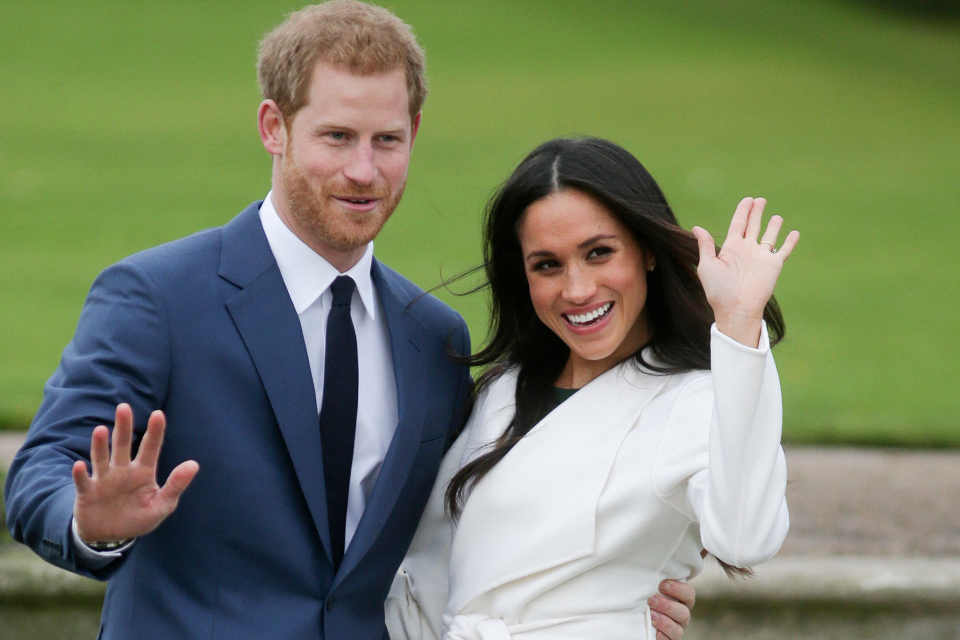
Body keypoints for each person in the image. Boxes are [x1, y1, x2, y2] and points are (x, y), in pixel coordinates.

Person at [3, 4, 694, 640]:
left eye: (386, 139)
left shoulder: (434, 338)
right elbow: (39, 474)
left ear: (414, 133)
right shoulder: (157, 297)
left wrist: (613, 589)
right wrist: (89, 524)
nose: (363, 171)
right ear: (274, 127)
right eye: (336, 137)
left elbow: (473, 522)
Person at [385, 137, 799, 640]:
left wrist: (738, 326)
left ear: (647, 251)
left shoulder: (696, 399)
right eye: (547, 265)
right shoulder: (503, 390)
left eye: (599, 253)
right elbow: (433, 569)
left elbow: (745, 537)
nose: (577, 290)